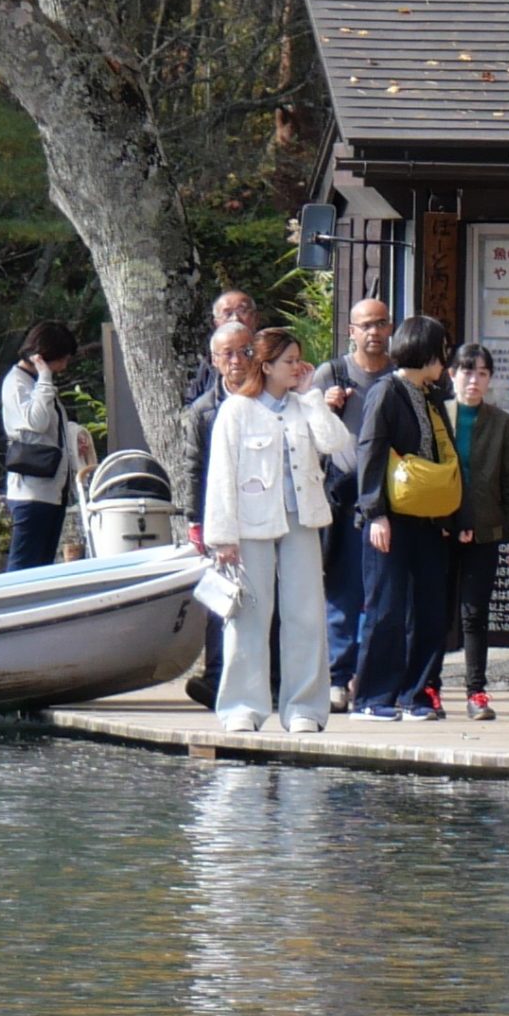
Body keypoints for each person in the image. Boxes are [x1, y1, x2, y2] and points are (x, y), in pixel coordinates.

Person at [204, 327, 349, 734]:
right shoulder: (237, 410)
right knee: (249, 615)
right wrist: (223, 537)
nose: (297, 367)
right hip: (250, 525)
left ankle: (304, 708)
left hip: (302, 519)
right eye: (289, 361)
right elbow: (221, 475)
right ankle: (242, 706)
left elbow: (335, 442)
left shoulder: (304, 405)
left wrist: (312, 396)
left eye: (299, 360)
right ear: (266, 366)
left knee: (306, 614)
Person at [349, 315, 461, 721]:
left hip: (427, 518)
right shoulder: (387, 391)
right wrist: (375, 512)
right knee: (386, 609)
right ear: (426, 352)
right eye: (441, 351)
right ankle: (372, 696)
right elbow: (370, 451)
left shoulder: (429, 394)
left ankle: (417, 694)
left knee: (429, 610)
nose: (445, 360)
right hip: (392, 518)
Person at [433, 342, 509, 721]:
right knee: (437, 613)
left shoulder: (503, 424)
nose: (473, 380)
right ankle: (429, 688)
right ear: (451, 374)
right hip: (440, 531)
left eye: (482, 373)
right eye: (466, 371)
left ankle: (476, 692)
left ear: (490, 379)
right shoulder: (436, 416)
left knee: (474, 613)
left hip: (486, 532)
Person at [313, 298, 393, 709]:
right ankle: (337, 677)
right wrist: (326, 409)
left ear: (391, 327)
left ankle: (370, 673)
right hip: (343, 497)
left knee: (381, 591)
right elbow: (304, 433)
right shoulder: (332, 373)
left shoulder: (399, 375)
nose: (373, 332)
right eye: (365, 325)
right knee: (342, 590)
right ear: (351, 331)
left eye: (380, 324)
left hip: (389, 497)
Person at [179, 321, 257, 707]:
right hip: (220, 514)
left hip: (262, 510)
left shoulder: (267, 399)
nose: (237, 360)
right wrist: (195, 520)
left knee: (265, 596)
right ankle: (216, 677)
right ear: (214, 360)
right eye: (228, 353)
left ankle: (267, 679)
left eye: (245, 351)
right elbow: (193, 468)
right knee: (221, 597)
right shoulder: (203, 410)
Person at [0, 320, 95, 572]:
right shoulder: (17, 383)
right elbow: (37, 421)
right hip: (31, 492)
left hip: (52, 490)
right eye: (62, 359)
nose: (63, 366)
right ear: (45, 356)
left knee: (42, 568)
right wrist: (44, 378)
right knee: (23, 568)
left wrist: (75, 439)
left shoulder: (36, 384)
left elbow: (53, 428)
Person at [187, 290, 259, 403]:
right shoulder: (209, 363)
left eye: (242, 311)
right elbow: (192, 404)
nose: (235, 318)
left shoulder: (272, 354)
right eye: (227, 314)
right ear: (216, 323)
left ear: (255, 318)